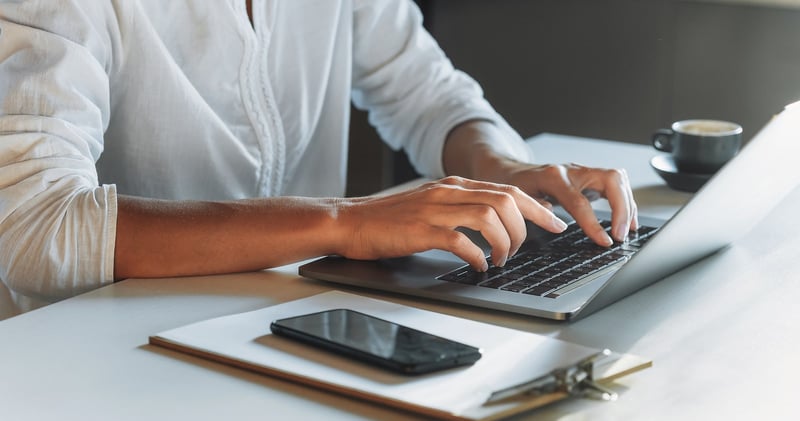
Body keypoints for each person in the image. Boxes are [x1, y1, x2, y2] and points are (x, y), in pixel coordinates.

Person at [0, 0, 637, 313]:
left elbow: (427, 94)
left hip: (299, 322)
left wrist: (502, 165)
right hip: (105, 348)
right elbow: (31, 227)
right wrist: (346, 221)